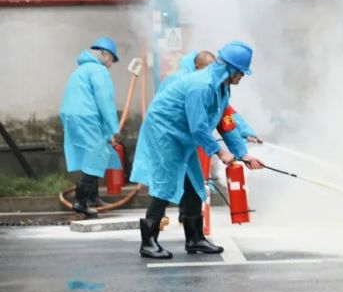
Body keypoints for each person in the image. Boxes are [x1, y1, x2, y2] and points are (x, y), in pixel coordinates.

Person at [132, 41, 265, 259]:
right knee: (166, 182)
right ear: (230, 69)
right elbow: (198, 126)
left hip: (183, 135)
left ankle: (195, 239)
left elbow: (225, 121)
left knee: (194, 182)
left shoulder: (221, 87)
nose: (242, 77)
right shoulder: (201, 86)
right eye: (241, 72)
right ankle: (148, 242)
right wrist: (220, 152)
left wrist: (243, 154)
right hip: (165, 131)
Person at [59, 37, 122, 217]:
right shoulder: (98, 70)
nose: (111, 64)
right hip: (86, 116)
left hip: (73, 116)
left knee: (93, 153)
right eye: (111, 59)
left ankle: (92, 197)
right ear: (104, 54)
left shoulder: (81, 70)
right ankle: (81, 200)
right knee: (95, 153)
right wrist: (114, 129)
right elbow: (105, 101)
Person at [161, 50, 262, 143]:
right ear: (197, 67)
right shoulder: (181, 82)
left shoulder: (211, 85)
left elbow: (224, 112)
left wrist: (245, 132)